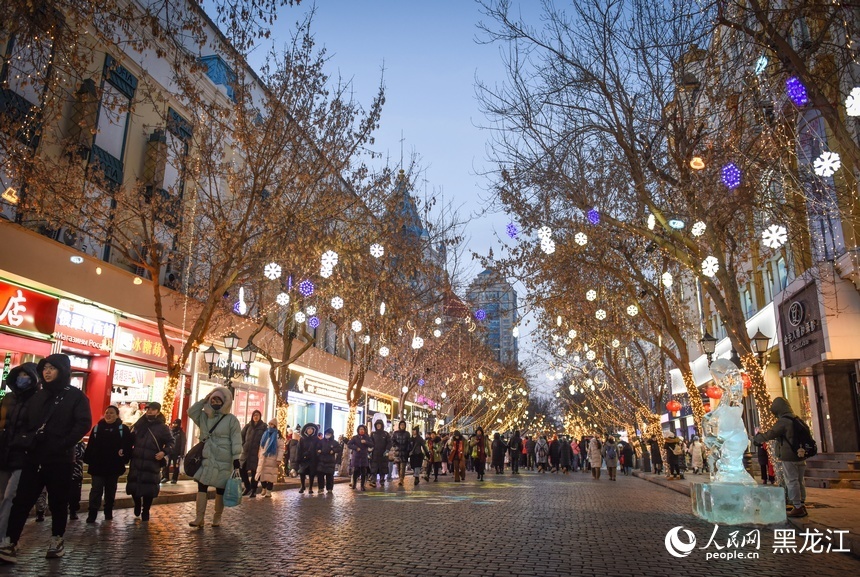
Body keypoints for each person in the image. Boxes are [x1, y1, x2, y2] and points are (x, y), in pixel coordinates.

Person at [1, 354, 91, 562]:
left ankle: (56, 540)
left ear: (63, 370)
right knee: (21, 501)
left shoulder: (76, 397)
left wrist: (63, 443)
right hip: (34, 457)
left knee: (58, 502)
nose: (47, 372)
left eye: (52, 368)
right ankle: (10, 542)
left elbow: (83, 423)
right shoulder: (38, 396)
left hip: (60, 459)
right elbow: (26, 421)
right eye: (45, 368)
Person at [187, 387, 241, 527]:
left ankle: (217, 517)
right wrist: (204, 399)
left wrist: (236, 458)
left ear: (224, 402)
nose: (215, 402)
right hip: (207, 457)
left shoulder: (231, 420)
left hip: (224, 459)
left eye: (218, 400)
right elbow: (191, 412)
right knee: (201, 485)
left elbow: (236, 439)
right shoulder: (205, 417)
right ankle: (199, 518)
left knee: (220, 489)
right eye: (213, 399)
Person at [0, 363, 39, 552]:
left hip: (22, 454)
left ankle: (4, 537)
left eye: (26, 375)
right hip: (3, 452)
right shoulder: (8, 398)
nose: (21, 378)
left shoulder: (36, 400)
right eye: (19, 374)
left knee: (10, 496)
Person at [753, 397, 809, 518]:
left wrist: (757, 439)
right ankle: (801, 504)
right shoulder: (797, 419)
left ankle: (797, 506)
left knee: (792, 480)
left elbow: (771, 433)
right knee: (800, 480)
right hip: (801, 454)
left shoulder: (784, 421)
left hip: (789, 456)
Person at [126, 401, 174, 522]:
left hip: (152, 461)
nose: (149, 412)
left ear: (158, 411)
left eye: (152, 410)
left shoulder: (163, 427)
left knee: (148, 489)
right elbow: (131, 439)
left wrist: (163, 452)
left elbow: (171, 442)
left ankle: (146, 510)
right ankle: (137, 504)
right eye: (148, 409)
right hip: (137, 459)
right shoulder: (140, 423)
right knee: (134, 485)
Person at [83, 405, 132, 523]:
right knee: (96, 490)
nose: (108, 415)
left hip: (113, 466)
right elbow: (90, 447)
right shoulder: (97, 428)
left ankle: (108, 511)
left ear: (117, 415)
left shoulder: (123, 429)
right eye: (107, 413)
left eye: (111, 413)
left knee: (110, 490)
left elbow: (128, 446)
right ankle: (92, 512)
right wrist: (88, 459)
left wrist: (124, 454)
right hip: (97, 466)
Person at [239, 410, 267, 497]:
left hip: (256, 453)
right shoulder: (248, 426)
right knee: (242, 470)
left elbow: (266, 439)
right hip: (246, 452)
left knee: (255, 472)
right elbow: (241, 435)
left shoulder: (263, 427)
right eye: (254, 415)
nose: (256, 417)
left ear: (260, 416)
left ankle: (253, 490)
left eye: (257, 415)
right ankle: (247, 487)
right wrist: (244, 444)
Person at [255, 419, 284, 497]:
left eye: (272, 424)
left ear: (275, 426)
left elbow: (281, 449)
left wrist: (279, 459)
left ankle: (269, 491)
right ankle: (264, 487)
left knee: (271, 476)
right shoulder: (265, 434)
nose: (270, 425)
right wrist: (259, 454)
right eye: (269, 424)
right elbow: (261, 446)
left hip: (272, 458)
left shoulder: (278, 436)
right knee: (261, 475)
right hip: (263, 457)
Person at [316, 427, 342, 493]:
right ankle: (321, 488)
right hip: (321, 461)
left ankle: (329, 488)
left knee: (329, 476)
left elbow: (339, 449)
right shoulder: (321, 441)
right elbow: (316, 448)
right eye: (326, 434)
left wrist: (333, 450)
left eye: (329, 434)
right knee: (320, 475)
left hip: (330, 461)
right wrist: (318, 451)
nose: (327, 435)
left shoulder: (334, 442)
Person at [347, 424, 373, 490]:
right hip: (356, 457)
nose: (361, 431)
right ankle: (354, 484)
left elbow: (372, 444)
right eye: (360, 429)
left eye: (362, 429)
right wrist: (355, 448)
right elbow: (349, 444)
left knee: (363, 472)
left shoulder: (367, 437)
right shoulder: (355, 437)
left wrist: (366, 442)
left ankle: (362, 486)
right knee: (355, 471)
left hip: (364, 456)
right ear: (358, 430)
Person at [297, 423, 320, 494]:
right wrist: (299, 458)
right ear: (306, 430)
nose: (310, 430)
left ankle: (310, 487)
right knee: (302, 473)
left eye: (311, 429)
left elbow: (318, 447)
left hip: (313, 459)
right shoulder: (302, 439)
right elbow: (299, 449)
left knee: (311, 474)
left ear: (314, 430)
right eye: (308, 429)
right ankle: (302, 486)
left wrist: (317, 454)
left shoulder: (316, 439)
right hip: (304, 458)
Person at [368, 419, 391, 488]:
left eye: (379, 425)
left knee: (382, 468)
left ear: (382, 425)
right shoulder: (373, 434)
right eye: (377, 425)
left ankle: (382, 480)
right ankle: (373, 481)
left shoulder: (386, 434)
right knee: (374, 468)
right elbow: (370, 443)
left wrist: (387, 450)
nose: (378, 426)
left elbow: (389, 442)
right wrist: (370, 452)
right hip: (375, 454)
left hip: (383, 454)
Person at [162, 419, 186, 484]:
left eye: (176, 424)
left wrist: (181, 453)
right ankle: (165, 477)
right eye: (173, 423)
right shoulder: (170, 431)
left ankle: (174, 478)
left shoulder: (181, 433)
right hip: (169, 451)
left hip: (176, 452)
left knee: (176, 466)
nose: (174, 425)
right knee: (166, 465)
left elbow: (183, 443)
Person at [67, 439, 86, 520]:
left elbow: (81, 454)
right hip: (63, 471)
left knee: (75, 493)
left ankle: (73, 511)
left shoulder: (80, 442)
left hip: (76, 472)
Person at [391, 420, 411, 487]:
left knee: (403, 467)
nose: (402, 426)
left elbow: (409, 443)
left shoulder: (407, 433)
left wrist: (408, 450)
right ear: (399, 426)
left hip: (404, 452)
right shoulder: (395, 433)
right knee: (398, 467)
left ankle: (401, 479)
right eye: (401, 425)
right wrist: (396, 445)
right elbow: (392, 441)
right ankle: (400, 478)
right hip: (397, 452)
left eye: (403, 425)